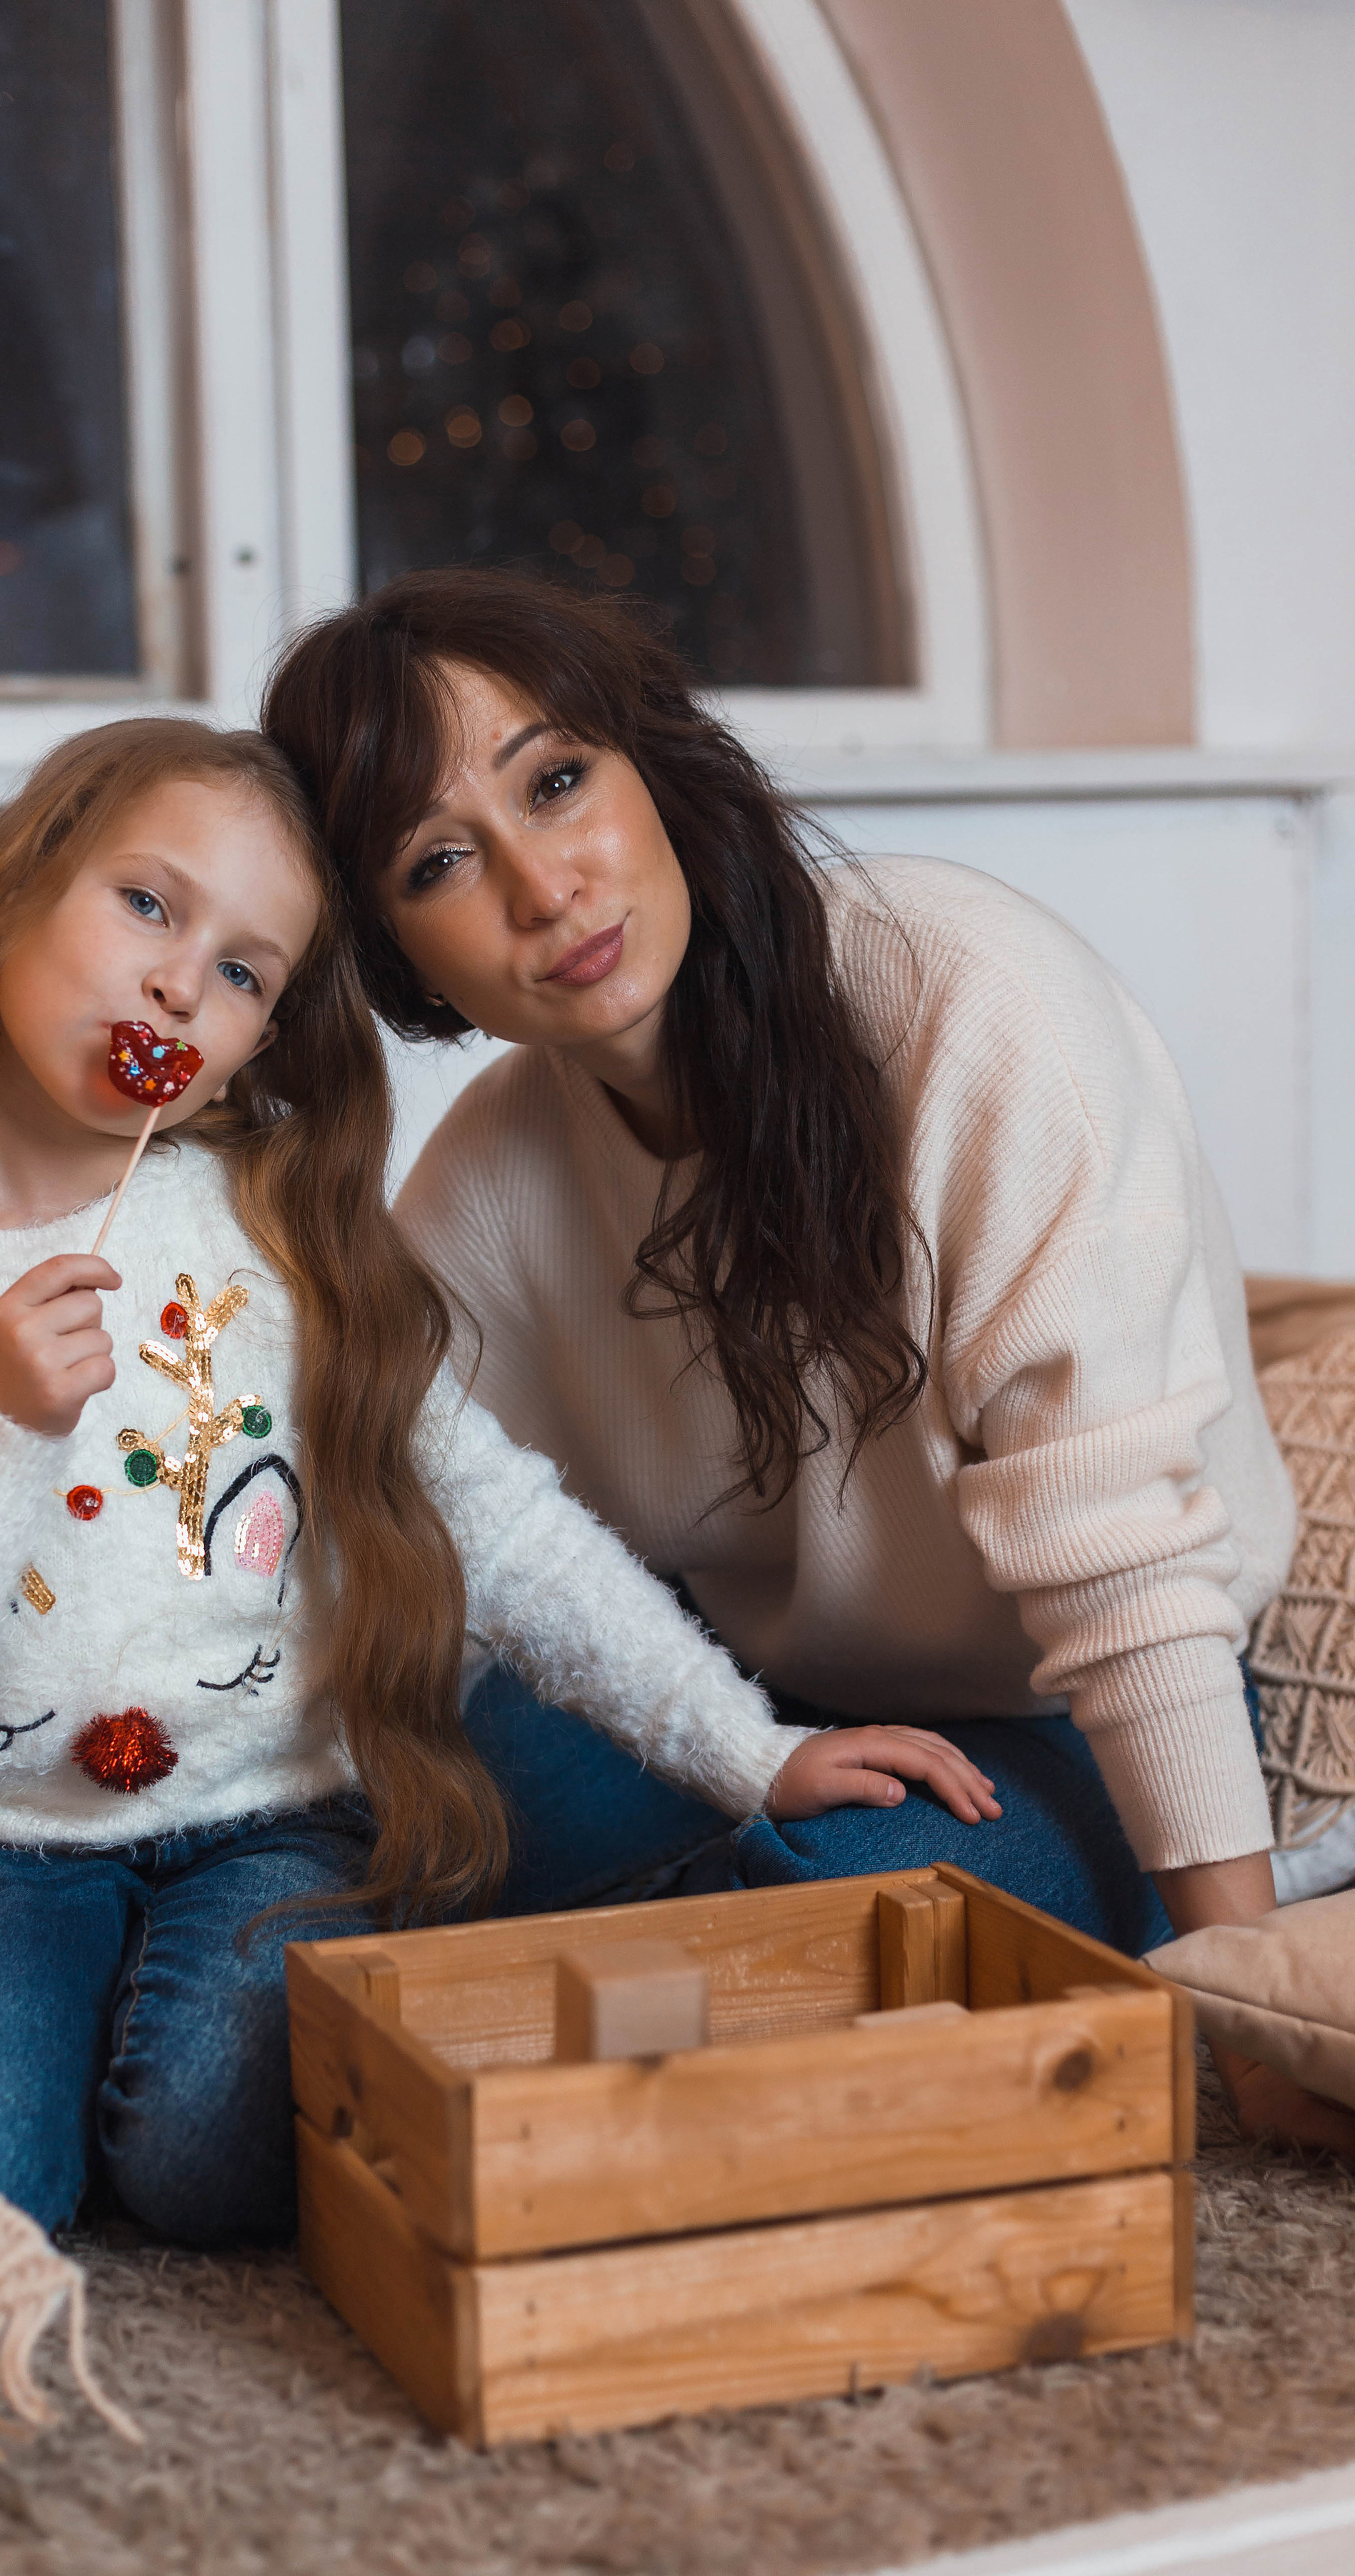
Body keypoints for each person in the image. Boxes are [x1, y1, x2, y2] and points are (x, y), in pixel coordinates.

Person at [0, 717, 994, 2241]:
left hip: (269, 1820)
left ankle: (60, 2049)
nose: (181, 986)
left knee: (213, 2163)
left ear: (256, 1046)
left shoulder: (276, 1241)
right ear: (8, 896)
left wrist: (750, 1752)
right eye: (148, 905)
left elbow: (500, 1527)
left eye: (245, 973)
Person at [264, 568, 1355, 2153]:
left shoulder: (972, 1001)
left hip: (1065, 1708)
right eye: (441, 861)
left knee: (826, 1912)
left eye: (555, 782)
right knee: (391, 1800)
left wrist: (1249, 1997)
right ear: (399, 957)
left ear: (652, 763)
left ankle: (569, 2002)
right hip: (757, 1719)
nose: (544, 888)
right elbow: (388, 1537)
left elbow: (1121, 1563)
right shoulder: (486, 1180)